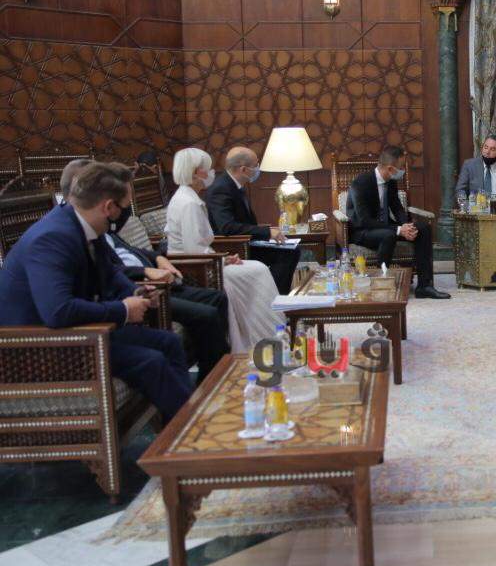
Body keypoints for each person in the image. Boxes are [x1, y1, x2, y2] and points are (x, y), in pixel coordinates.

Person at [0, 161, 193, 422]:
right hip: (38, 349)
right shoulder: (52, 238)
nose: (125, 215)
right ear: (108, 207)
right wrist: (123, 310)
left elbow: (109, 272)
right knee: (151, 362)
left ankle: (183, 426)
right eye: (124, 208)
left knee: (168, 342)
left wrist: (137, 292)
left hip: (80, 334)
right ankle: (188, 430)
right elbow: (58, 311)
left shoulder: (85, 224)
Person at [58, 159, 231, 382]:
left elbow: (125, 253)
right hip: (128, 296)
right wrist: (141, 279)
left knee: (216, 299)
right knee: (201, 319)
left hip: (145, 284)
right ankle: (211, 382)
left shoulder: (98, 225)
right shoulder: (68, 233)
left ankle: (218, 375)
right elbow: (65, 306)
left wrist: (158, 258)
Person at [166, 148, 284, 352]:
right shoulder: (189, 204)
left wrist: (224, 258)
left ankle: (270, 332)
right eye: (206, 169)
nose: (211, 172)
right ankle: (262, 336)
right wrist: (222, 260)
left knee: (257, 268)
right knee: (257, 270)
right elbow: (195, 251)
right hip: (194, 270)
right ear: (196, 172)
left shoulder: (189, 197)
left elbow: (200, 246)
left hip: (207, 261)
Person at [347, 145, 450, 299]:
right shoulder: (360, 183)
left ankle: (425, 286)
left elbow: (397, 208)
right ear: (390, 169)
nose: (403, 171)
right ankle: (382, 283)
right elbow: (364, 220)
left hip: (385, 227)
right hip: (363, 231)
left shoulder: (390, 182)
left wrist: (406, 226)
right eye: (401, 167)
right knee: (389, 235)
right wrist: (398, 230)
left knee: (423, 229)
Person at [206, 146, 302, 294]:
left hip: (246, 241)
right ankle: (274, 297)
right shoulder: (221, 188)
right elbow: (227, 227)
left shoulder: (235, 184)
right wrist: (266, 232)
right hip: (233, 247)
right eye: (256, 165)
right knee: (286, 254)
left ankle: (273, 294)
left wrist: (267, 232)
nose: (258, 168)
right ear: (243, 169)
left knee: (291, 249)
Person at [455, 135, 496, 205]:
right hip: (473, 210)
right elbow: (460, 190)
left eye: (492, 149)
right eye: (486, 147)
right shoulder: (469, 166)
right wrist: (465, 204)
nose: (487, 152)